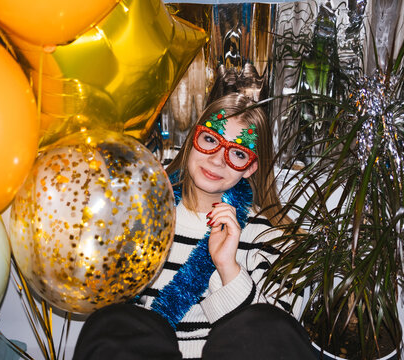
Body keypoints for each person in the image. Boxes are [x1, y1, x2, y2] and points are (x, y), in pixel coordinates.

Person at [73, 92, 316, 359]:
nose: (217, 160)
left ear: (250, 167)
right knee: (113, 323)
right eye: (210, 140)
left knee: (266, 328)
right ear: (193, 139)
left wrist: (228, 268)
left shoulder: (274, 239)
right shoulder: (143, 213)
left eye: (237, 153)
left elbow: (278, 341)